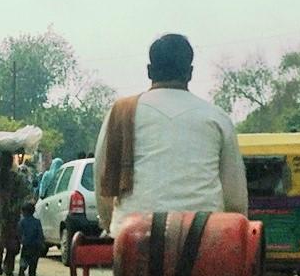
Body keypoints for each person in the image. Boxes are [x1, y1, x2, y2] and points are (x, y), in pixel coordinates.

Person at [94, 33, 247, 237]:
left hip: (133, 235)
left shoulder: (122, 111)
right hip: (204, 235)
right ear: (190, 73)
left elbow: (102, 178)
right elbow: (235, 196)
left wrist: (109, 225)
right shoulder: (216, 117)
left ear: (149, 71)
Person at [0, 150, 32, 276]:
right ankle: (8, 266)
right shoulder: (18, 177)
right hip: (13, 212)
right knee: (12, 240)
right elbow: (25, 193)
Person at [18, 202, 44, 276]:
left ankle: (22, 269)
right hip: (35, 245)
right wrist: (41, 242)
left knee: (24, 258)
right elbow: (40, 233)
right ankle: (32, 273)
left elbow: (19, 232)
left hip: (26, 244)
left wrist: (21, 240)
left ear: (24, 212)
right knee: (34, 260)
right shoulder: (37, 222)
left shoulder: (22, 222)